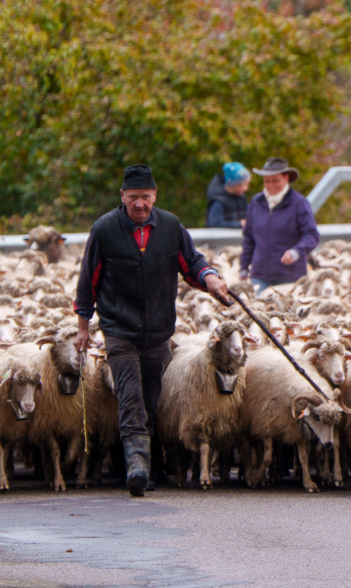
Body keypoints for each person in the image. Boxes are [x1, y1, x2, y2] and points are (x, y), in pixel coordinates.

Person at [73, 164, 230, 497]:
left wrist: (211, 279)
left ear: (154, 196)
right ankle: (137, 468)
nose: (140, 203)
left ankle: (147, 462)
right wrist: (83, 326)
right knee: (130, 395)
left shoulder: (170, 226)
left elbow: (192, 263)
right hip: (119, 329)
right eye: (133, 198)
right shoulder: (104, 229)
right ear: (122, 197)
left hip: (158, 330)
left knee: (151, 399)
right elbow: (89, 280)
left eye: (145, 197)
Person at [239, 157, 319, 294]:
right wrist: (244, 267)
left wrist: (296, 252)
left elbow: (312, 235)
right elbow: (248, 238)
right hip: (260, 276)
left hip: (291, 278)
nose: (271, 185)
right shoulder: (256, 202)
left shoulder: (299, 203)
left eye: (275, 180)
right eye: (267, 181)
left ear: (286, 178)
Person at [206, 162, 250, 228]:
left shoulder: (242, 198)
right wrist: (239, 224)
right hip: (220, 238)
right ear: (234, 185)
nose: (246, 189)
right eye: (244, 185)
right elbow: (215, 224)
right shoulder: (218, 200)